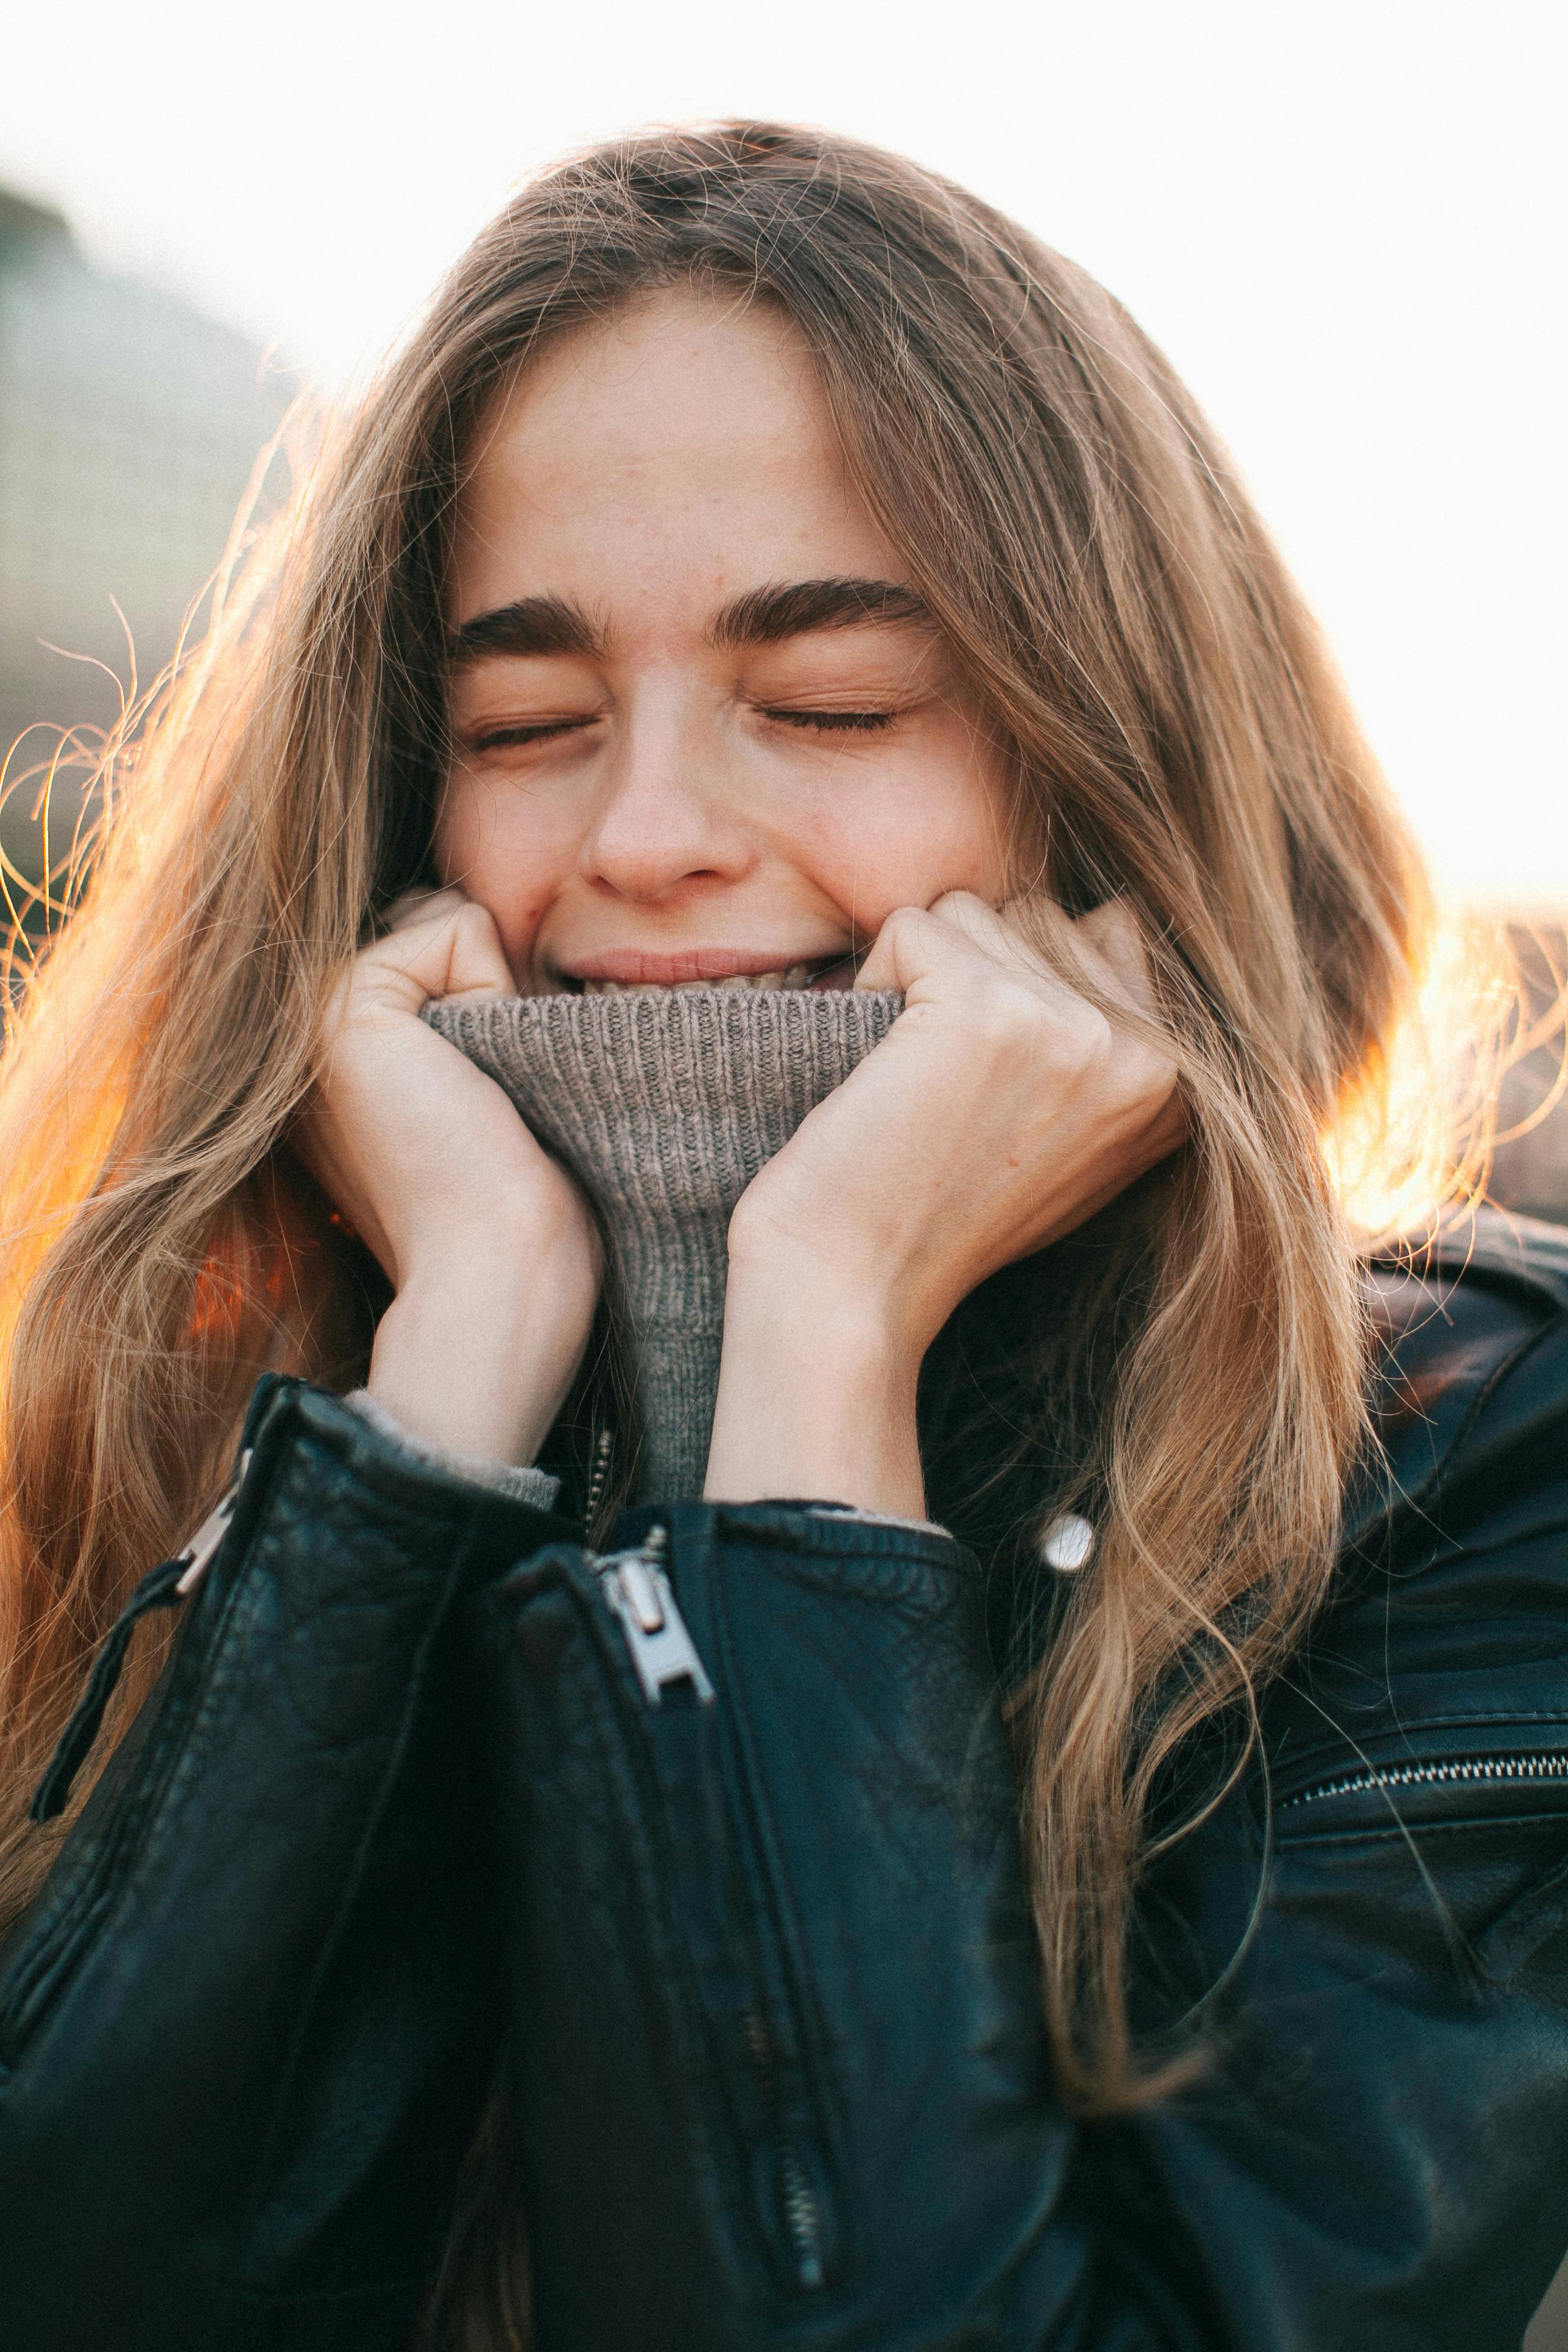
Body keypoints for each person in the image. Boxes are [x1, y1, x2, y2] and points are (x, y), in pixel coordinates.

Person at [0, 121, 1564, 2352]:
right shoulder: (180, 1382)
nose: (644, 838)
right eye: (524, 723)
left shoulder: (1462, 1466)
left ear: (1111, 774)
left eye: (829, 705)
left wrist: (810, 1345)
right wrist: (448, 1395)